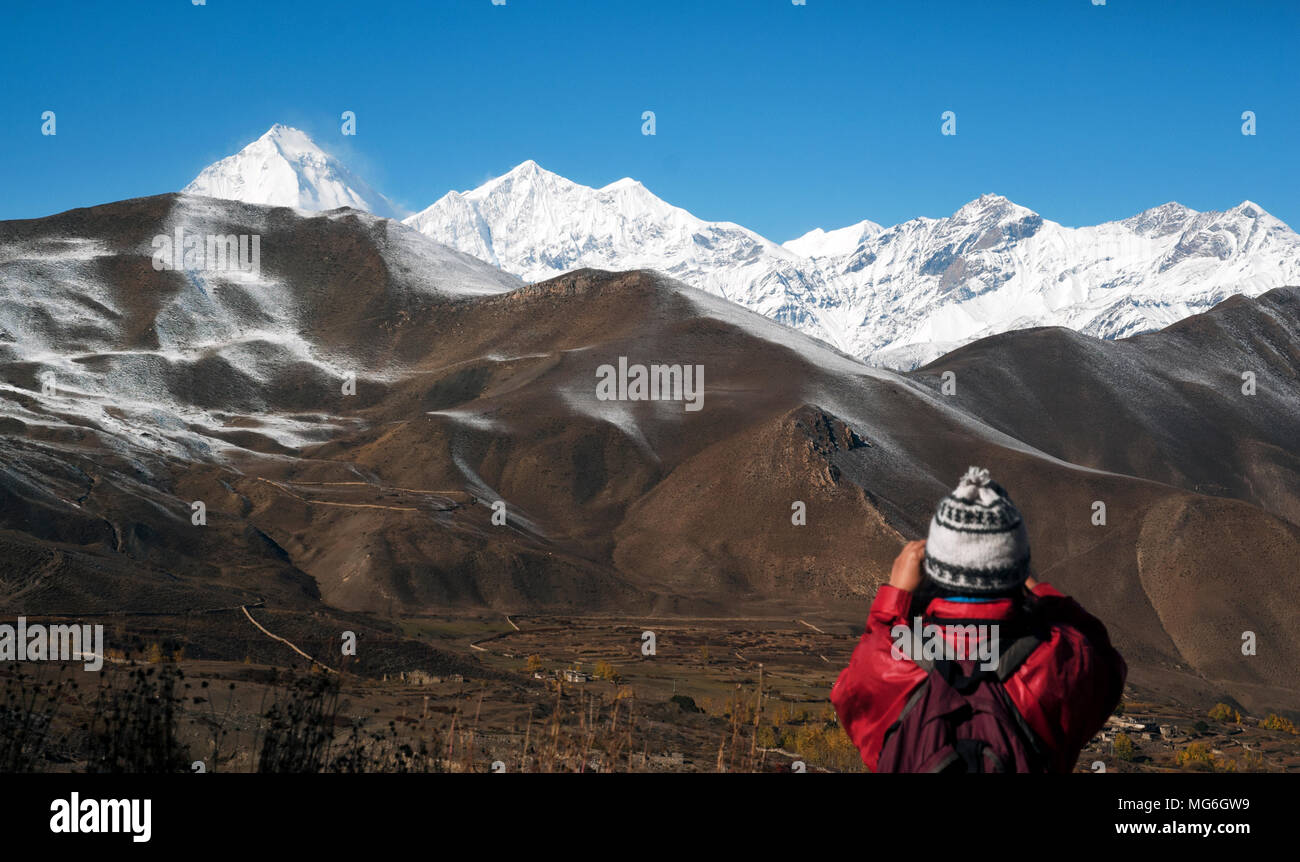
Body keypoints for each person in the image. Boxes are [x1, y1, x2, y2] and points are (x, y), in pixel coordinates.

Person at [830, 467, 1126, 773]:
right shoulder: (1059, 660)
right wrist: (1043, 594)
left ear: (932, 569)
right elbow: (1106, 666)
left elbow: (851, 701)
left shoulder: (889, 660)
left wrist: (893, 603)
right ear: (1018, 570)